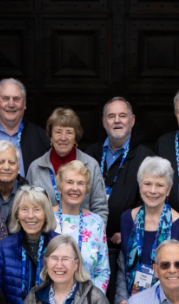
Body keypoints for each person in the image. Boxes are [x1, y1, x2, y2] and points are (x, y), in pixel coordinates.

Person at [85, 96, 155, 275]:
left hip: (129, 246)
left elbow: (152, 202)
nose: (117, 120)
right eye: (111, 116)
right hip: (90, 245)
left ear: (132, 121)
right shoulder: (90, 155)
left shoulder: (147, 158)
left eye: (122, 116)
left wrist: (130, 231)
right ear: (103, 122)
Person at [115, 156, 179, 304]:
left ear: (169, 189)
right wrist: (123, 302)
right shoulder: (127, 219)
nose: (152, 190)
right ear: (139, 186)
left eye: (159, 185)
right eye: (147, 183)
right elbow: (123, 266)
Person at [25, 107, 108, 220]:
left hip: (83, 235)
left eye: (69, 132)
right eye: (58, 132)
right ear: (50, 136)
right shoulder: (36, 168)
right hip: (47, 235)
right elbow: (27, 208)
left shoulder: (91, 165)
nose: (63, 138)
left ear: (75, 137)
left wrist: (93, 235)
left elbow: (100, 209)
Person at [51, 160, 111, 293]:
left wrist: (92, 302)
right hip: (50, 300)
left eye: (80, 183)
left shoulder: (96, 222)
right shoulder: (46, 218)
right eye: (69, 182)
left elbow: (102, 271)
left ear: (86, 189)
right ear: (60, 188)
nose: (75, 188)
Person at [0, 140, 24, 218]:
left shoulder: (28, 193)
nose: (6, 167)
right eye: (0, 162)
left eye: (12, 162)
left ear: (18, 167)